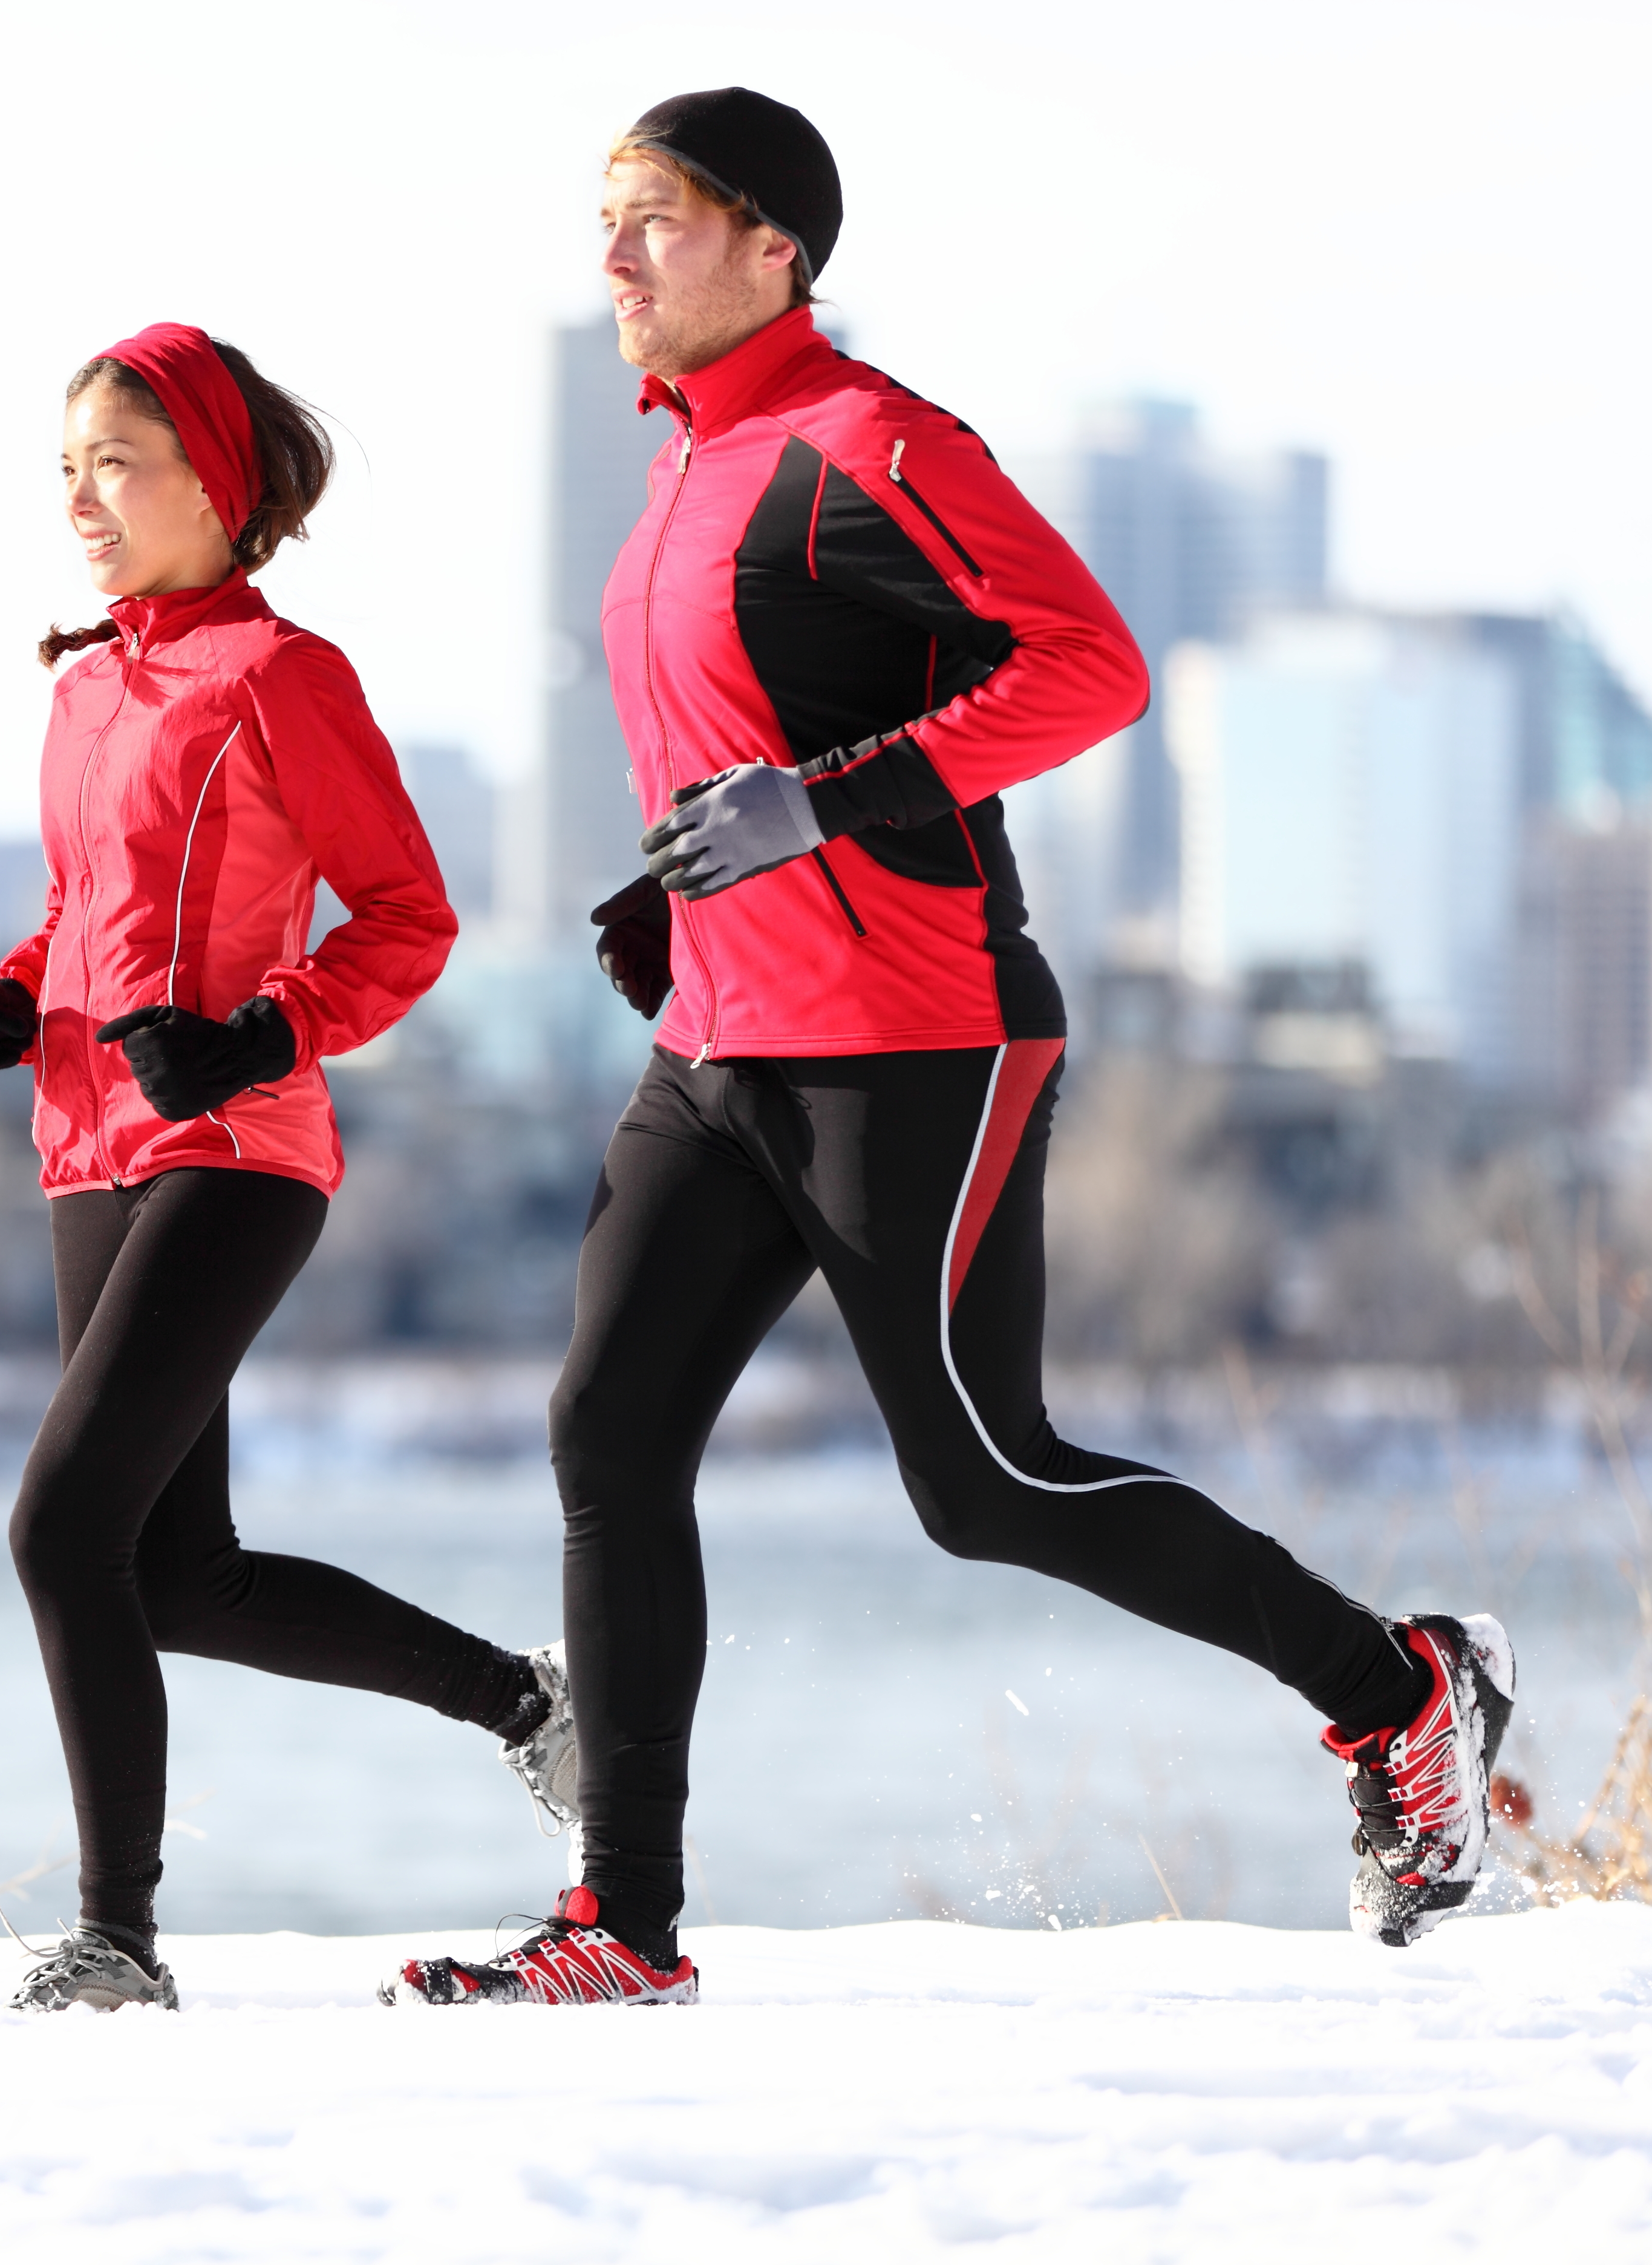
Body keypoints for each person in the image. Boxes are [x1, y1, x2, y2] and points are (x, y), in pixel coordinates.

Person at [386, 91, 1515, 2009]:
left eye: (652, 219)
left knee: (985, 1479)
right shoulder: (680, 471)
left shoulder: (870, 441)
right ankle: (623, 1926)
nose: (615, 258)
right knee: (606, 1427)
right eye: (607, 222)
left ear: (776, 248)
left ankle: (1400, 1689)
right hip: (720, 1044)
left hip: (919, 1036)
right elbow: (752, 734)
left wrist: (822, 813)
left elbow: (1088, 665)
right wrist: (684, 890)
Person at [0, 324, 580, 2013]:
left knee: (63, 1528)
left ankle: (116, 1943)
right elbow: (92, 908)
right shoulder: (87, 688)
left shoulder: (285, 679)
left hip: (235, 1147)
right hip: (87, 1147)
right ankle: (526, 1702)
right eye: (65, 464)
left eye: (116, 461)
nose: (81, 494)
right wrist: (13, 994)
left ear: (215, 483)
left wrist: (264, 1031)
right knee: (175, 1572)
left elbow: (407, 919)